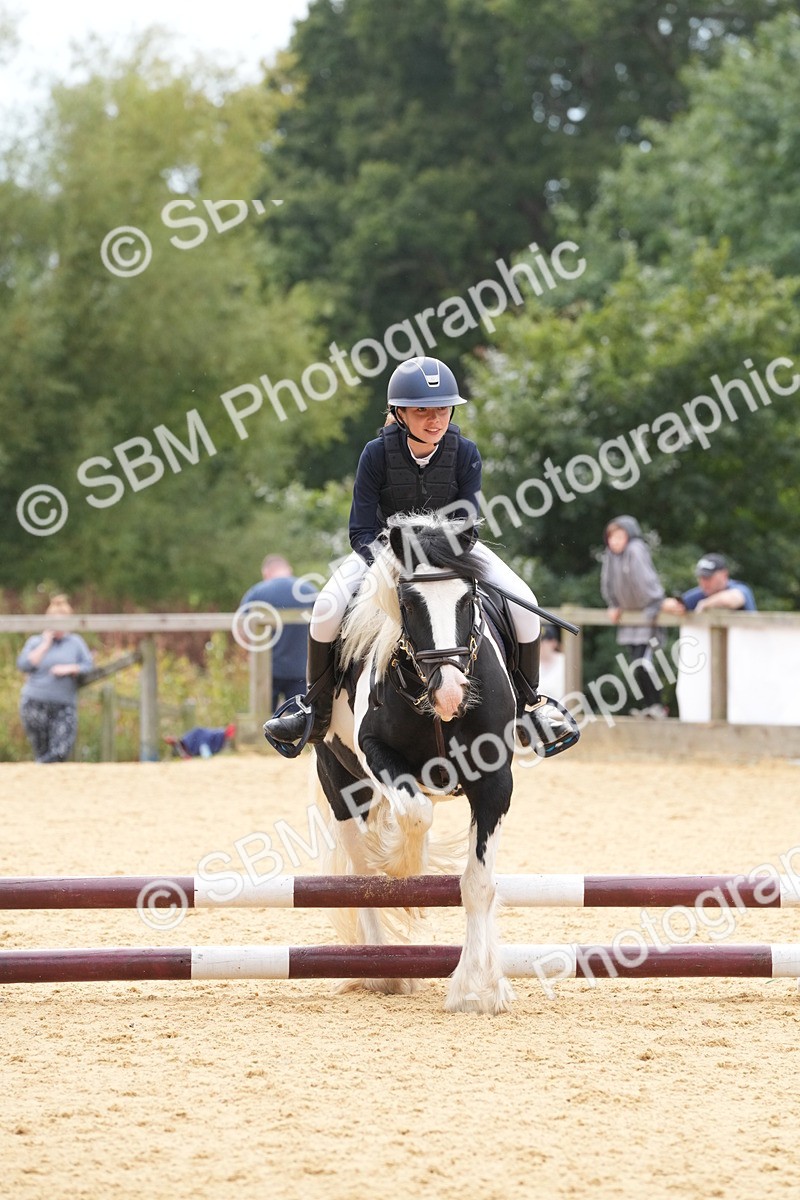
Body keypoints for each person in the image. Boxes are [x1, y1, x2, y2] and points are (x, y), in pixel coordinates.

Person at [264, 355, 579, 757]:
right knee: (326, 608)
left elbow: (468, 523)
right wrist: (399, 561)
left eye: (443, 409)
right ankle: (315, 707)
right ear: (400, 412)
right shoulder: (375, 454)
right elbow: (360, 530)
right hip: (384, 552)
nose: (435, 419)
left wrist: (438, 558)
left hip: (452, 551)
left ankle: (530, 704)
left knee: (527, 605)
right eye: (422, 410)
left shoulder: (465, 452)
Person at [600, 515, 667, 719]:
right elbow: (607, 582)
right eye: (611, 537)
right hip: (629, 618)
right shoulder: (610, 555)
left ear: (629, 535)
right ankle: (649, 706)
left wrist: (656, 602)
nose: (614, 541)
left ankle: (658, 706)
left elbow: (646, 580)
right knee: (635, 666)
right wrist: (613, 604)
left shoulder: (635, 550)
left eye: (619, 536)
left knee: (643, 663)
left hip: (648, 615)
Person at [17, 594, 94, 763]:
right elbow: (23, 664)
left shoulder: (75, 642)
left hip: (63, 705)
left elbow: (88, 666)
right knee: (42, 750)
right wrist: (45, 645)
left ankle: (41, 772)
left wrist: (71, 668)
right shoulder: (35, 641)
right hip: (35, 703)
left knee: (60, 751)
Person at [239, 555, 318, 709]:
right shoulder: (309, 591)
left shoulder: (256, 593)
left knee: (264, 722)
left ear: (266, 573)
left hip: (266, 672)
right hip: (301, 670)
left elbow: (242, 629)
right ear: (288, 570)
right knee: (300, 724)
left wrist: (251, 650)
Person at [661, 553, 757, 614]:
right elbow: (670, 604)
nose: (703, 582)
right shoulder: (702, 593)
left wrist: (705, 604)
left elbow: (731, 599)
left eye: (708, 577)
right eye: (701, 577)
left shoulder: (740, 588)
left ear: (724, 575)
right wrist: (674, 607)